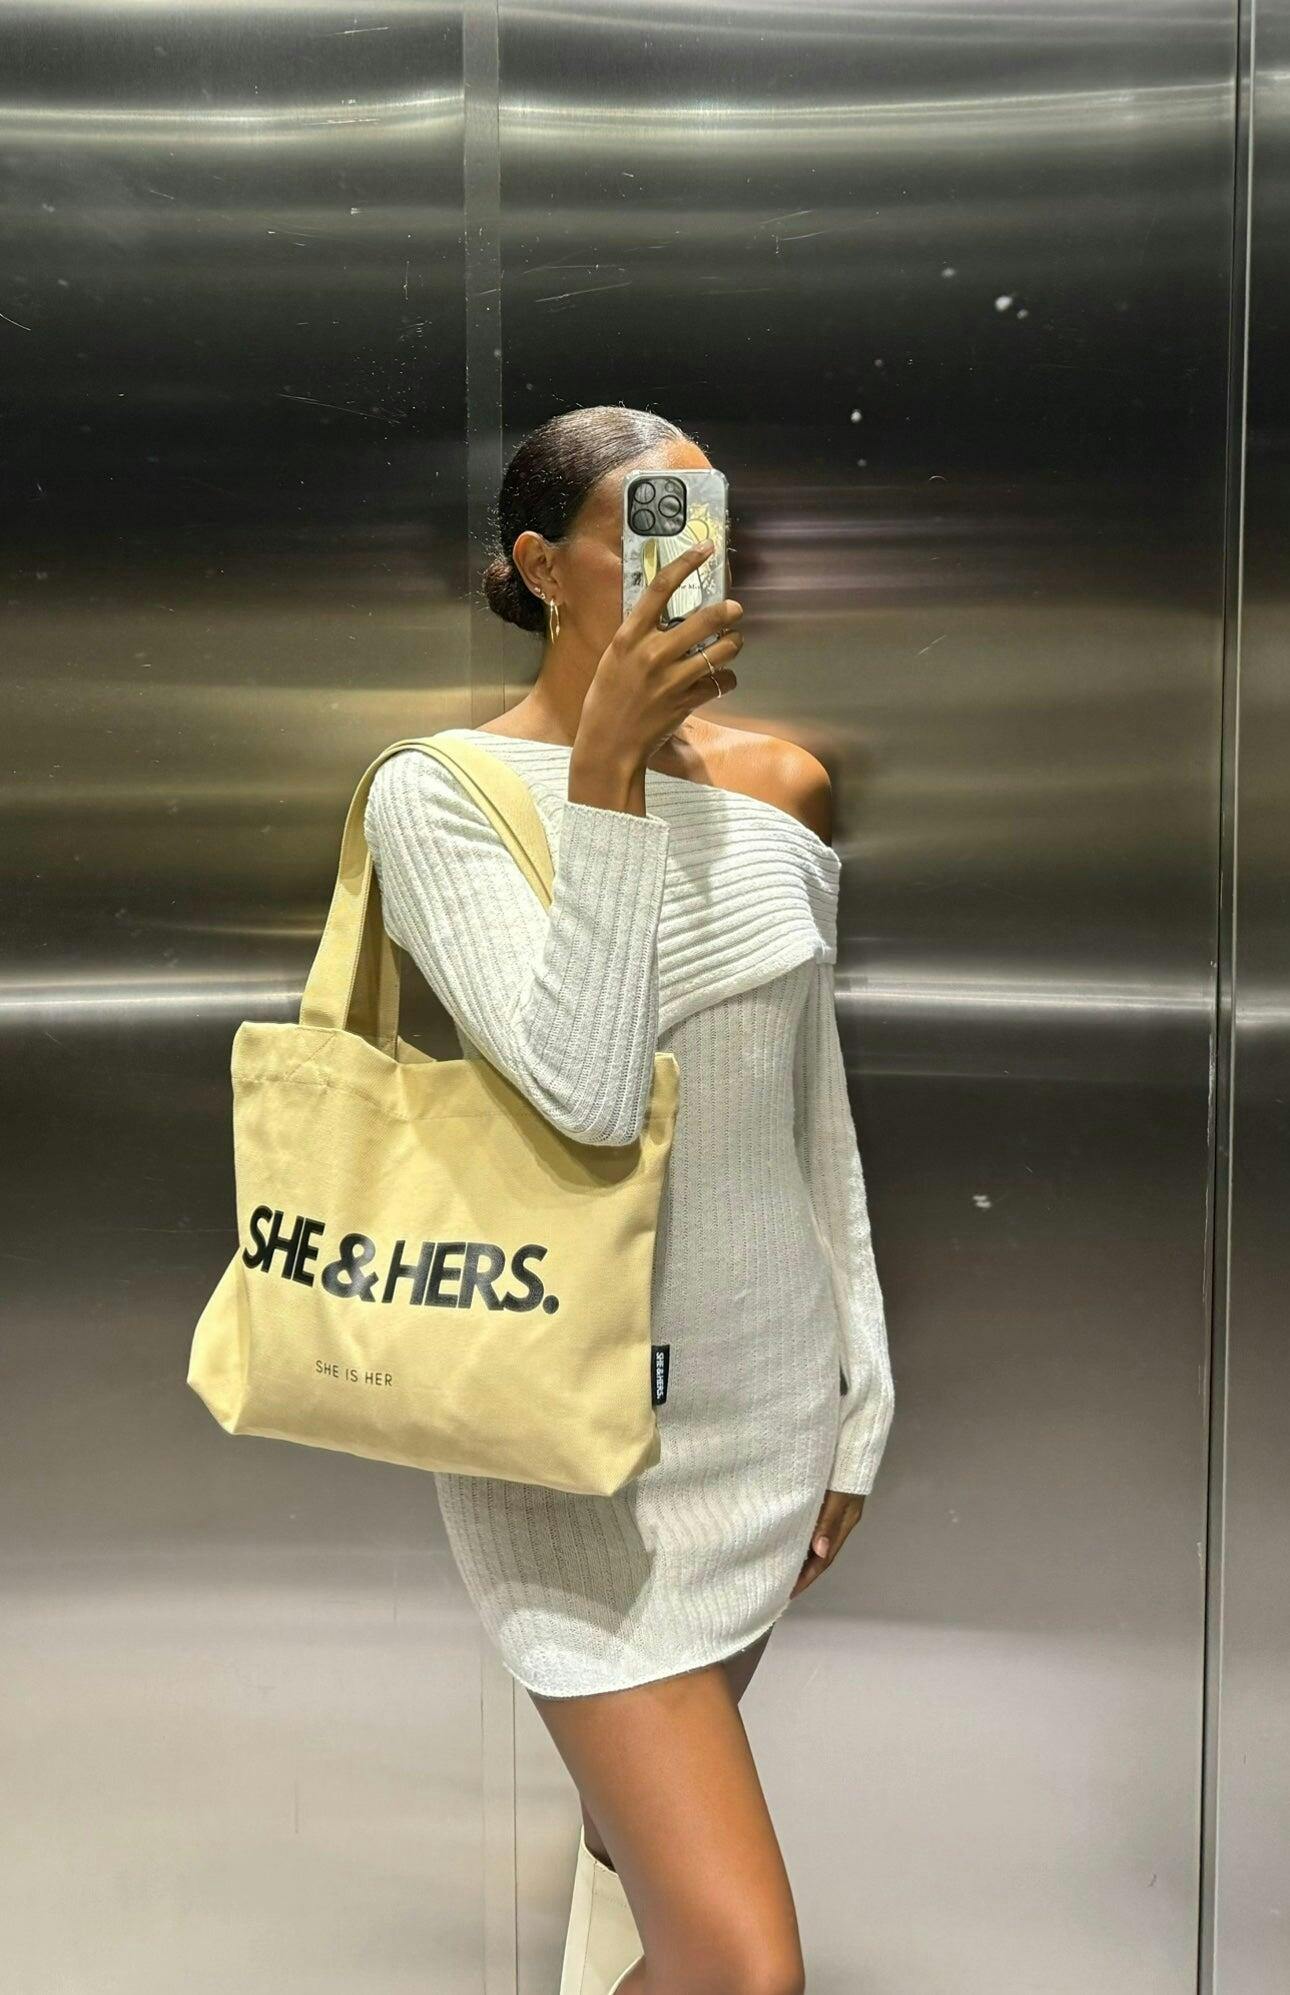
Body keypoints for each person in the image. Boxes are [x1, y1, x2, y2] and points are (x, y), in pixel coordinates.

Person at [364, 405, 896, 1995]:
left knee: (636, 1856)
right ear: (541, 567)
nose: (695, 555)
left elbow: (813, 1119)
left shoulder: (781, 786)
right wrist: (601, 777)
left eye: (711, 519)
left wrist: (858, 1406)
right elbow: (585, 1097)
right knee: (741, 1967)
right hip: (573, 1456)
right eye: (652, 523)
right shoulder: (441, 795)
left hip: (769, 1418)